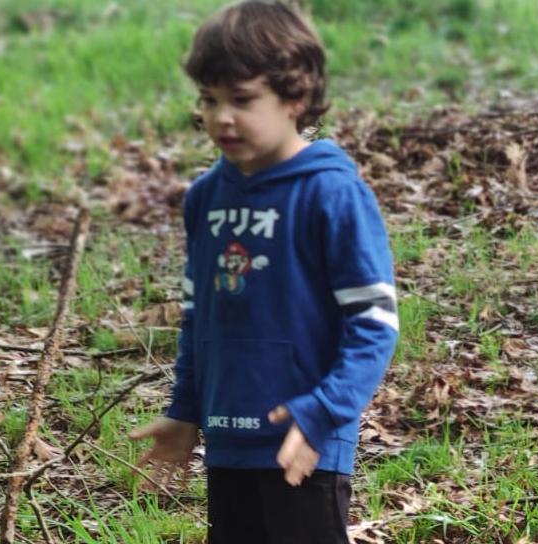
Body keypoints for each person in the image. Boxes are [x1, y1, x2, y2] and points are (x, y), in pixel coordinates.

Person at [129, 2, 399, 542]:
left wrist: (325, 410)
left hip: (303, 441)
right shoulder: (207, 196)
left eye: (242, 99)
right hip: (228, 438)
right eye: (209, 99)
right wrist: (185, 411)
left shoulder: (330, 192)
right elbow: (197, 317)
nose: (220, 116)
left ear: (295, 97)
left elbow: (375, 322)